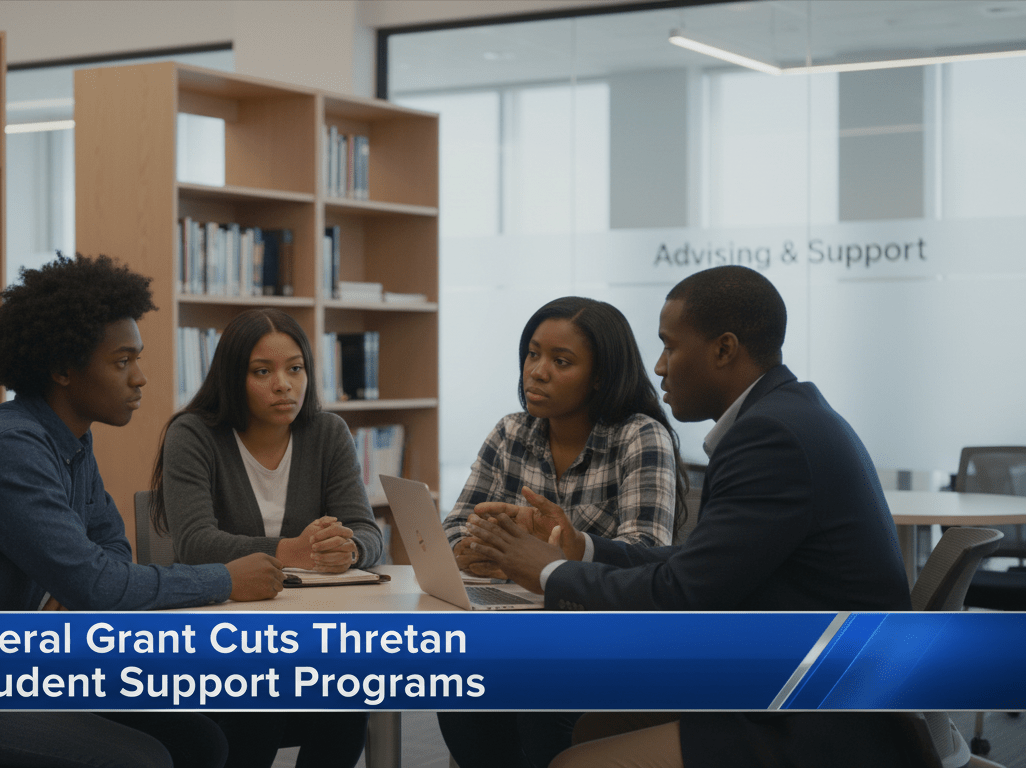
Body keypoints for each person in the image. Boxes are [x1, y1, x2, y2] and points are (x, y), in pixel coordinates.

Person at [466, 265, 918, 768]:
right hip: (790, 677)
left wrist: (549, 571)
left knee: (570, 762)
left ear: (724, 350)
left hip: (817, 715)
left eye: (670, 347)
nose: (658, 367)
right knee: (586, 727)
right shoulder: (781, 418)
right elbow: (702, 565)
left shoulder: (770, 438)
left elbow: (684, 593)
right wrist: (581, 548)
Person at [0, 254, 286, 768]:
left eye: (137, 359)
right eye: (121, 361)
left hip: (12, 675)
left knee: (202, 738)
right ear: (63, 369)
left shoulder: (70, 441)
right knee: (142, 759)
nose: (140, 378)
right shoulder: (10, 448)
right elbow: (99, 582)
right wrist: (223, 580)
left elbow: (110, 551)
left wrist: (87, 585)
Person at [438, 296, 687, 768]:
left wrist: (558, 552)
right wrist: (476, 550)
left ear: (600, 376)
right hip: (511, 627)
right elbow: (454, 525)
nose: (537, 371)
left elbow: (648, 552)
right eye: (532, 354)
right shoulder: (511, 432)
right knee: (457, 686)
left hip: (598, 637)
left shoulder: (639, 436)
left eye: (561, 361)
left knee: (537, 699)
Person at [150, 307, 380, 768]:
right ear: (232, 377)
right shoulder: (193, 434)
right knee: (262, 700)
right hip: (222, 638)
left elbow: (368, 532)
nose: (284, 384)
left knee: (350, 699)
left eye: (295, 369)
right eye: (263, 371)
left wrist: (347, 549)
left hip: (308, 633)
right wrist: (290, 550)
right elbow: (195, 543)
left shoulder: (327, 432)